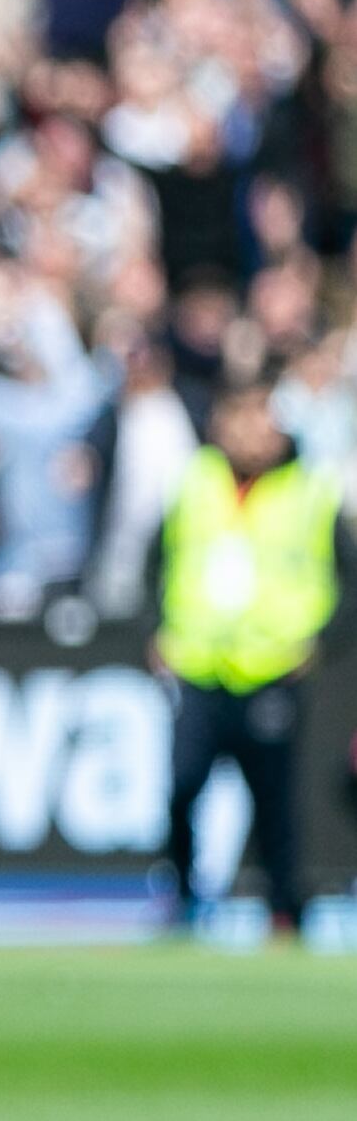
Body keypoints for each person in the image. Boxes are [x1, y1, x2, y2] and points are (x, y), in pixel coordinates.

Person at [153, 379, 350, 936]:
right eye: (239, 420)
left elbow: (349, 581)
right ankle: (183, 896)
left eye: (260, 420)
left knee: (274, 801)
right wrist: (157, 630)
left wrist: (319, 644)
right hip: (199, 662)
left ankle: (283, 907)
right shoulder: (194, 484)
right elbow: (155, 562)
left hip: (270, 667)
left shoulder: (311, 491)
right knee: (183, 784)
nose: (250, 434)